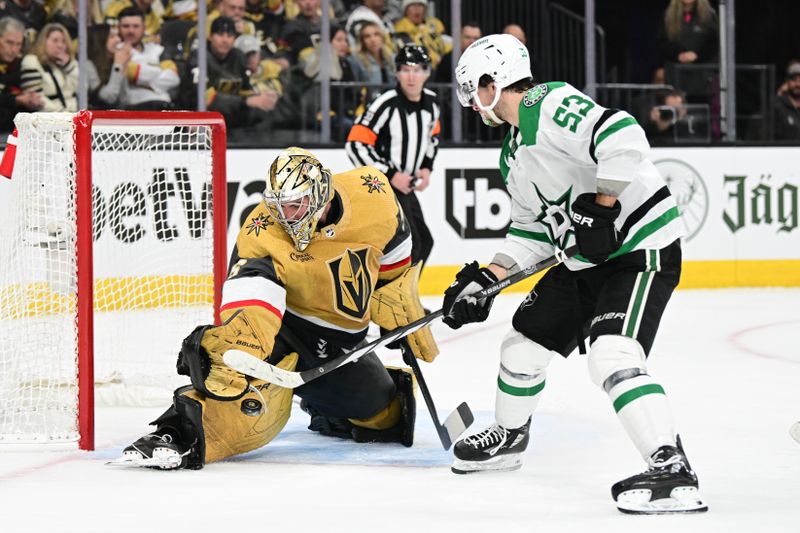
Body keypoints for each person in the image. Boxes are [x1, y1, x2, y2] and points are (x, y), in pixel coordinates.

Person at [442, 33, 707, 515]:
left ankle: (670, 467)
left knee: (611, 354)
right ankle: (510, 435)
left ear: (491, 82)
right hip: (583, 260)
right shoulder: (512, 152)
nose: (469, 101)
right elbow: (531, 231)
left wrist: (602, 209)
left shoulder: (547, 104)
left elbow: (623, 135)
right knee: (521, 346)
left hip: (637, 250)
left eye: (471, 88)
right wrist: (489, 278)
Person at [111, 147, 439, 470]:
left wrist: (397, 297)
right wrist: (241, 341)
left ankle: (328, 409)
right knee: (247, 411)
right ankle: (176, 435)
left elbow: (396, 244)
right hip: (285, 329)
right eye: (282, 206)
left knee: (383, 413)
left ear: (321, 192)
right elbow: (252, 286)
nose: (288, 215)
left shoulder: (373, 191)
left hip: (340, 344)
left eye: (297, 205)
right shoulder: (262, 229)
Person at [345, 44, 440, 270]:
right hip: (383, 187)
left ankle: (407, 300)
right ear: (396, 72)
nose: (411, 76)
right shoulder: (385, 103)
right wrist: (389, 174)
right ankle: (397, 302)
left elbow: (432, 138)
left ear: (427, 73)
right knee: (410, 245)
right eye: (405, 69)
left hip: (405, 187)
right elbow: (355, 144)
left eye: (417, 70)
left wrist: (427, 167)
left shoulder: (432, 103)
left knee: (424, 243)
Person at [95, 6, 179, 110]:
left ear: (144, 28)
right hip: (134, 108)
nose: (131, 31)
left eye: (136, 26)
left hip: (165, 107)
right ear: (118, 28)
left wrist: (140, 76)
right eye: (126, 26)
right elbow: (130, 73)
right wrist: (159, 71)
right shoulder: (116, 51)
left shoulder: (158, 50)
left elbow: (174, 78)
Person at [19, 22, 79, 112]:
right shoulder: (31, 61)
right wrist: (64, 115)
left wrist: (68, 66)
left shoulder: (70, 62)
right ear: (43, 41)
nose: (60, 45)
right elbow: (37, 100)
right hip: (51, 119)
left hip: (76, 115)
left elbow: (83, 89)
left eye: (63, 41)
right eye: (55, 40)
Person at [1, 16, 43, 133]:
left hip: (18, 134)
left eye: (18, 44)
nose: (14, 49)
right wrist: (17, 99)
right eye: (9, 43)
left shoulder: (23, 65)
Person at [773, 62, 800, 141]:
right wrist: (779, 94)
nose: (798, 84)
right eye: (794, 80)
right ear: (787, 82)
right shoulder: (778, 107)